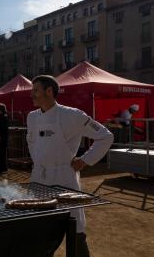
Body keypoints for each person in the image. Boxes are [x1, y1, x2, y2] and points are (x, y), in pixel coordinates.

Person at [26, 75, 113, 257]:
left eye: (35, 90)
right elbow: (32, 143)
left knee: (74, 229)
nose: (32, 95)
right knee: (39, 230)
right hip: (38, 179)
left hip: (64, 178)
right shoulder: (32, 117)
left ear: (49, 91)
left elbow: (105, 136)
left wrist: (84, 160)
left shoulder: (72, 115)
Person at [0, 103, 9, 176]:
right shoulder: (4, 116)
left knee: (0, 154)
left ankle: (0, 169)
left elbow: (2, 128)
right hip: (4, 138)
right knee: (2, 154)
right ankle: (4, 168)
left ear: (0, 110)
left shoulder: (3, 116)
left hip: (2, 138)